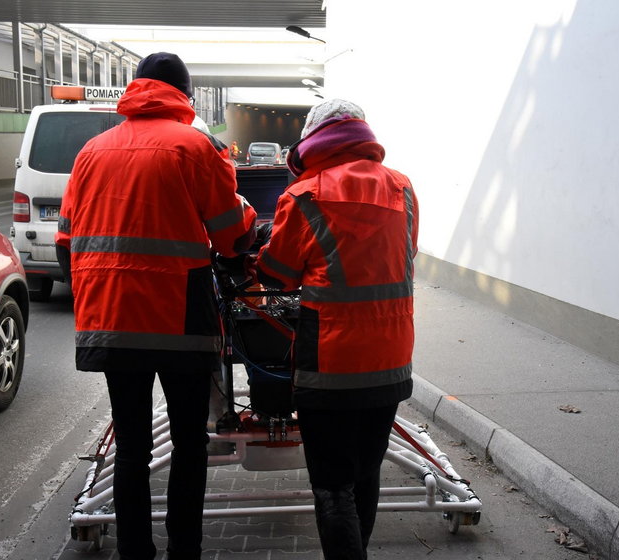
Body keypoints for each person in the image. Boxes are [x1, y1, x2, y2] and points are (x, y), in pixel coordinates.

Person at [55, 52, 256, 560]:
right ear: (184, 95)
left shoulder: (91, 152)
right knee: (190, 445)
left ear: (137, 88)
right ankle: (183, 552)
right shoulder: (196, 146)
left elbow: (65, 241)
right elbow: (232, 235)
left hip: (112, 322)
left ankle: (135, 553)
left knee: (132, 449)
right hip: (180, 320)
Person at [252, 99, 419, 559]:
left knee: (332, 486)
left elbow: (278, 274)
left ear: (313, 139)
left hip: (330, 363)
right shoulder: (403, 189)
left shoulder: (305, 195)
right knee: (366, 474)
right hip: (391, 358)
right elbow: (404, 256)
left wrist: (265, 247)